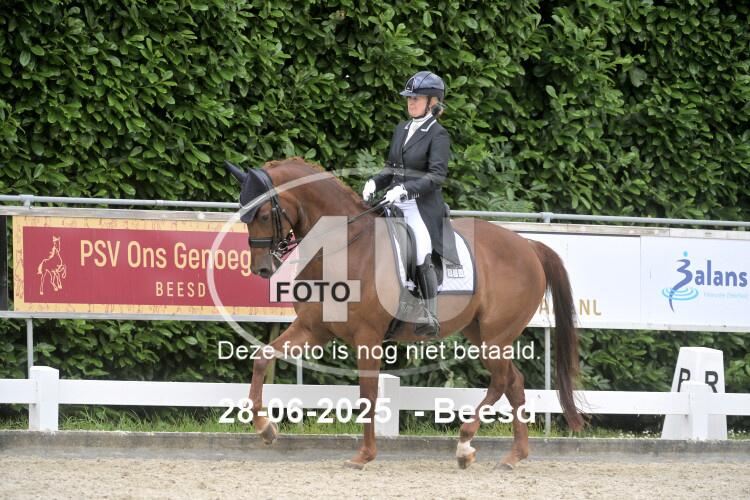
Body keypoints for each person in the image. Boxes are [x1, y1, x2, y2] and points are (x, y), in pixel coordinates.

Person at [362, 71, 460, 337]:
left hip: (420, 207)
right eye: (409, 98)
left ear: (432, 102)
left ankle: (428, 313)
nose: (411, 102)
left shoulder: (438, 134)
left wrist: (406, 189)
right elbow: (391, 168)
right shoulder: (402, 129)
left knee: (419, 251)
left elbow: (436, 176)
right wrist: (374, 182)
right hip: (393, 201)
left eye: (416, 98)